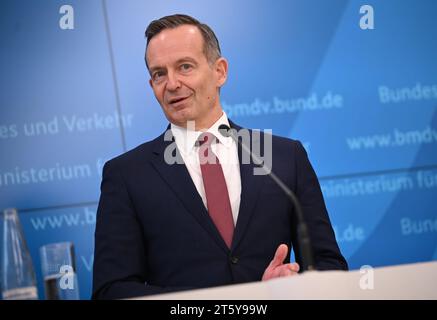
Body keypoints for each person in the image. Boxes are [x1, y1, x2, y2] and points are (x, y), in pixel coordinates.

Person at [92, 14, 347, 300]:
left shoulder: (284, 158)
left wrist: (288, 286)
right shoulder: (127, 175)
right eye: (159, 74)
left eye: (184, 66)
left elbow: (329, 266)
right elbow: (111, 291)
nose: (172, 83)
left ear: (220, 72)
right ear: (152, 86)